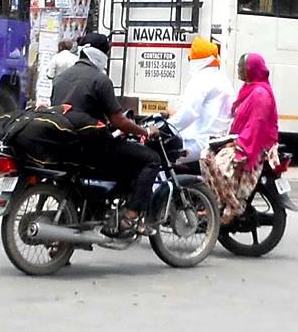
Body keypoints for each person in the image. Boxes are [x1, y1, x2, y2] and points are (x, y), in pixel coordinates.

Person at [49, 31, 159, 231]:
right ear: (101, 55)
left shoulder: (61, 77)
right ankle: (131, 216)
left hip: (64, 147)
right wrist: (143, 130)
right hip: (92, 150)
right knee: (151, 159)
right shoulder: (100, 80)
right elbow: (118, 121)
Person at [201, 52, 281, 217]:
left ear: (250, 70)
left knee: (220, 167)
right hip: (240, 138)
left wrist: (237, 145)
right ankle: (215, 203)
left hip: (253, 145)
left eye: (241, 67)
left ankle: (234, 206)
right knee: (205, 156)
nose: (238, 69)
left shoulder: (260, 94)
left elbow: (256, 127)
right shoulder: (248, 89)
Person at [168, 37, 233, 162]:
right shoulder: (223, 79)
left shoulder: (201, 80)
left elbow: (188, 114)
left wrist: (166, 128)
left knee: (156, 155)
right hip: (216, 141)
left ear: (197, 60)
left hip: (199, 144)